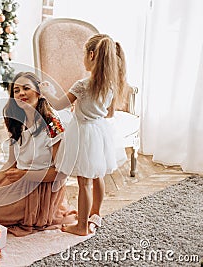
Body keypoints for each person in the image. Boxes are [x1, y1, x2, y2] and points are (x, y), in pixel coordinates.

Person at [0, 71, 77, 236]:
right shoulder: (17, 122)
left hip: (41, 188)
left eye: (26, 88)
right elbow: (10, 163)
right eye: (16, 91)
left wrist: (25, 175)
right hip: (19, 178)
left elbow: (61, 173)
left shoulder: (52, 125)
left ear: (39, 93)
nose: (21, 93)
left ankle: (26, 212)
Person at [40, 34, 128, 236]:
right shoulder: (111, 85)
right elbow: (109, 113)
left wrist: (45, 90)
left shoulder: (82, 85)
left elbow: (59, 104)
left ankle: (81, 226)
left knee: (84, 182)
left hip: (83, 134)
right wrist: (89, 109)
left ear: (91, 55)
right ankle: (95, 214)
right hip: (100, 131)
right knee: (98, 176)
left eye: (83, 55)